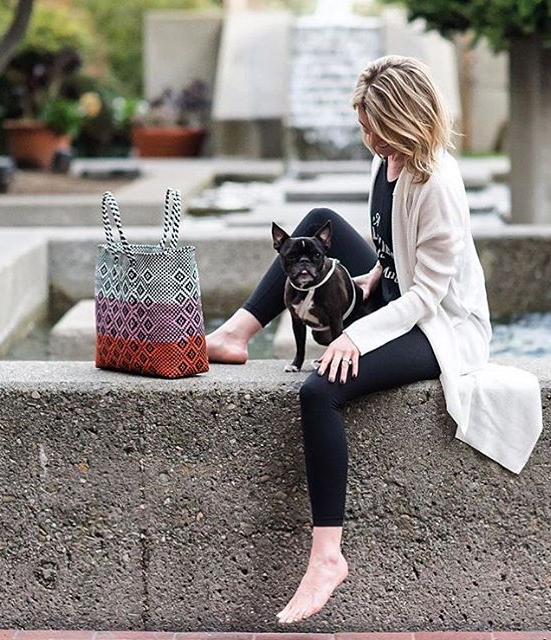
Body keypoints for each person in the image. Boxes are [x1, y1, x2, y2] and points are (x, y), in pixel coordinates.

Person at [205, 55, 493, 624]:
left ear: (404, 120)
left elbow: (428, 297)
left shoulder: (437, 184)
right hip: (395, 296)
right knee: (316, 219)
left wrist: (355, 335)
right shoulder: (386, 161)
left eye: (372, 125)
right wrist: (364, 279)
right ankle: (236, 334)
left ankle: (327, 557)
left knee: (319, 391)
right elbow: (392, 256)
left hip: (441, 327)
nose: (365, 136)